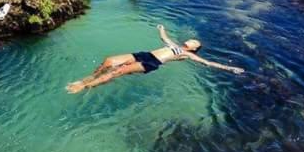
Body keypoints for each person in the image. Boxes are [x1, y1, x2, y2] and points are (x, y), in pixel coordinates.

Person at [66, 25, 244, 93]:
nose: (191, 40)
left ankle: (84, 86)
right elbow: (164, 38)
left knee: (117, 71)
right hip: (145, 54)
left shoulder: (187, 54)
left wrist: (229, 69)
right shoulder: (174, 44)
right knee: (109, 61)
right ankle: (90, 77)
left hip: (151, 63)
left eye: (194, 42)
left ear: (194, 48)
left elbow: (207, 63)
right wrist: (161, 29)